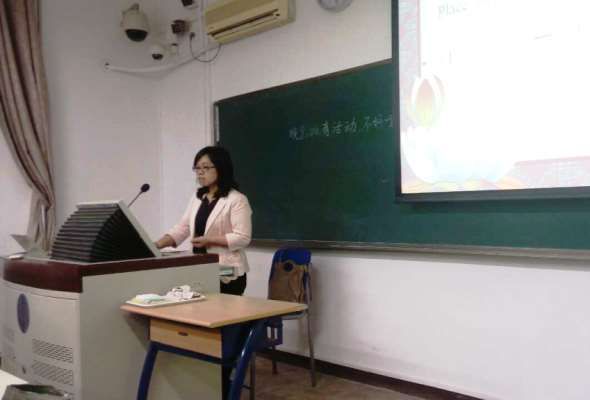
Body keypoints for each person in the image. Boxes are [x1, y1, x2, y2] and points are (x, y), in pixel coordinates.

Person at [155, 146, 252, 295]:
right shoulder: (197, 198)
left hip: (228, 270)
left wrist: (209, 240)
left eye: (205, 167)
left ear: (221, 168)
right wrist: (156, 245)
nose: (200, 172)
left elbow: (242, 238)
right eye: (197, 168)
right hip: (202, 268)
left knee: (221, 307)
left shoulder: (237, 199)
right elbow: (183, 228)